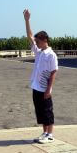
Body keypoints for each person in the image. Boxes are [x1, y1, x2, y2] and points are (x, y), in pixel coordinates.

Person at [23, 9, 58, 144]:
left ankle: (50, 134)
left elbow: (54, 72)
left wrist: (49, 89)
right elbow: (30, 36)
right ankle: (44, 132)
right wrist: (27, 20)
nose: (35, 42)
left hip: (44, 87)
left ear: (44, 40)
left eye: (38, 41)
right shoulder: (39, 52)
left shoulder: (51, 55)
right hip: (36, 86)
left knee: (47, 110)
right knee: (40, 111)